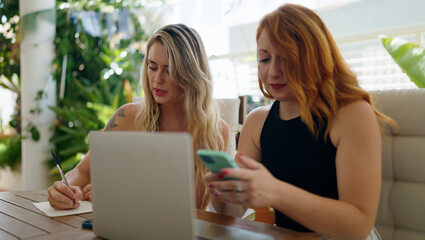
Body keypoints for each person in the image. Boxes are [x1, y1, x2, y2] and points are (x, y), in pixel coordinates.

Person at [205, 4, 395, 240]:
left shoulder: (352, 114)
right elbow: (233, 212)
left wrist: (275, 192)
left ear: (315, 58)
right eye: (264, 58)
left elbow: (357, 226)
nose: (273, 71)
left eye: (286, 59)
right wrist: (223, 194)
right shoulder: (258, 121)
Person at [48, 24, 229, 211]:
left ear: (191, 74)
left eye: (168, 70)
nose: (157, 79)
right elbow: (83, 171)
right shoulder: (127, 117)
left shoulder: (215, 132)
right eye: (152, 67)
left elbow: (195, 207)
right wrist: (63, 189)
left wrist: (121, 193)